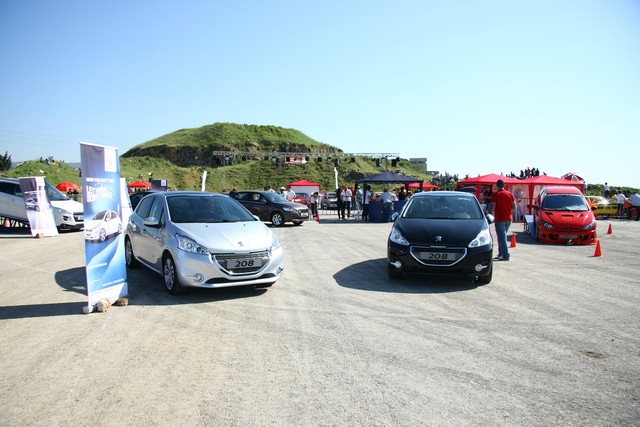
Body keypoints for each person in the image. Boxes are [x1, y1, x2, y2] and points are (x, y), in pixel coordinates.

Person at [489, 179, 516, 261]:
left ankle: (506, 255)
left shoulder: (495, 195)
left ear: (497, 186)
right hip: (508, 218)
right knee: (502, 236)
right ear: (504, 185)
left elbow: (493, 207)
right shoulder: (510, 194)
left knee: (502, 237)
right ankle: (501, 253)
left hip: (500, 218)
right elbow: (514, 207)